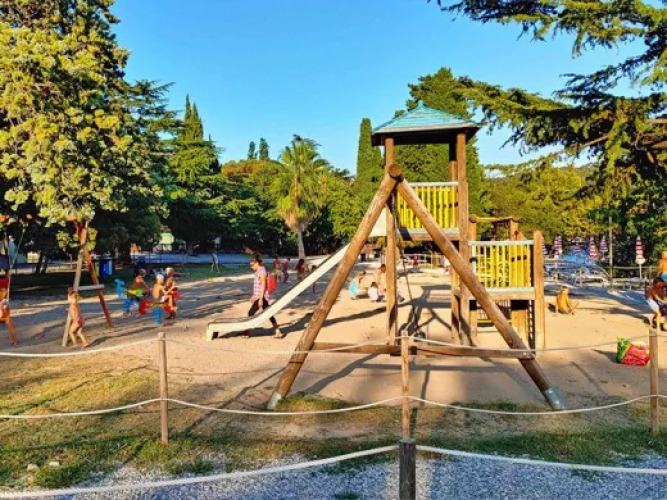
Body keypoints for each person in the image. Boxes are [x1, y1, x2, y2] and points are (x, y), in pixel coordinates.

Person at [243, 254, 283, 338]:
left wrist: (260, 299)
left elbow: (263, 285)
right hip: (259, 296)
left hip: (261, 297)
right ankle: (278, 331)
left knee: (251, 313)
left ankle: (247, 331)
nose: (251, 267)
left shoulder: (261, 271)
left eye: (252, 265)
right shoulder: (259, 270)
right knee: (268, 313)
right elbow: (258, 285)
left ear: (257, 263)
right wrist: (253, 295)